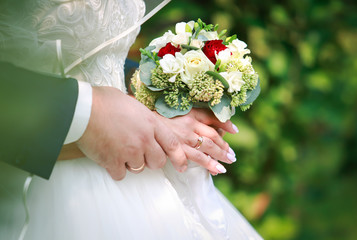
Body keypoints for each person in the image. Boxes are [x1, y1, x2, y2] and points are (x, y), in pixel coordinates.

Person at [0, 0, 263, 239]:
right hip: (41, 190)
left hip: (142, 184)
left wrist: (158, 101)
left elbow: (92, 52)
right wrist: (87, 111)